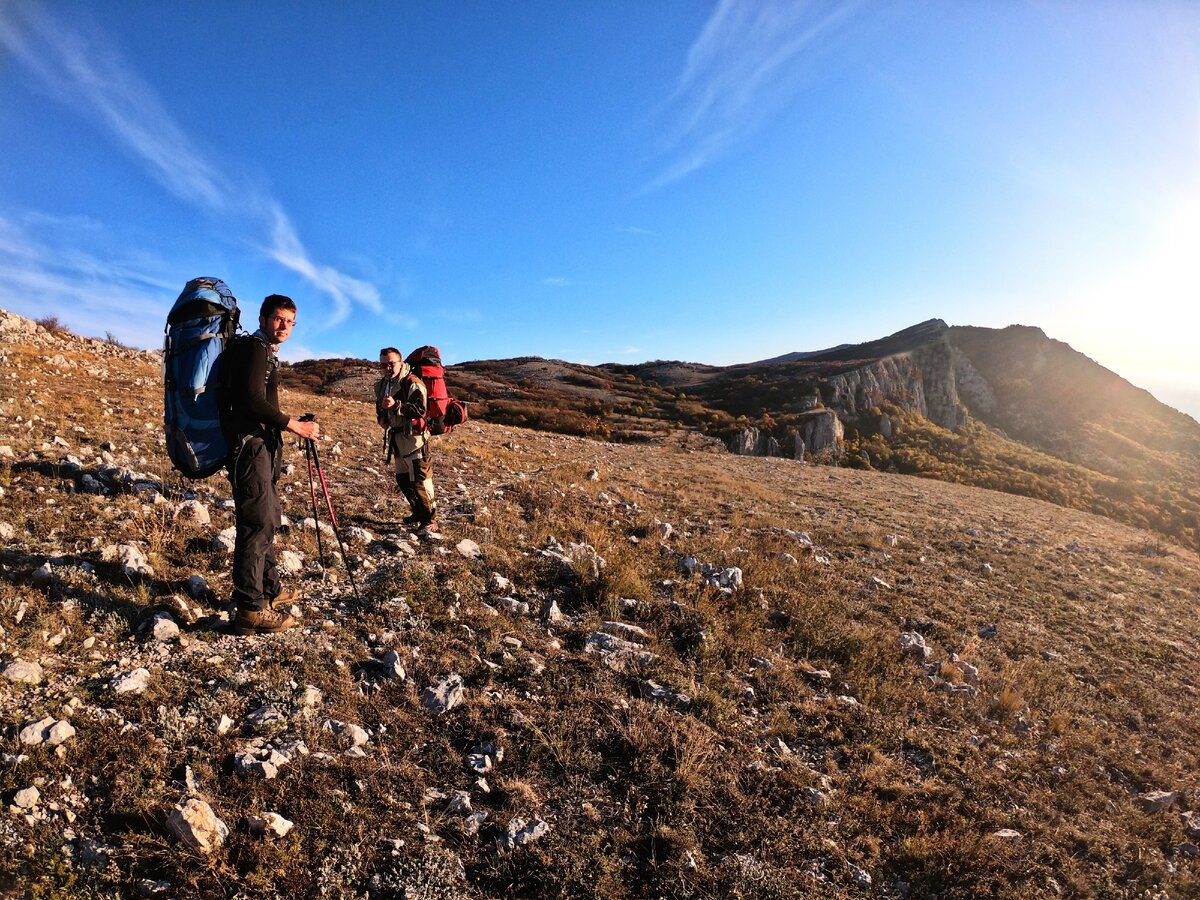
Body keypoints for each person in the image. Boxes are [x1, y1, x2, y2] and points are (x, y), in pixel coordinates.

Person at [222, 294, 321, 635]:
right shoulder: (254, 349)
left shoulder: (263, 351)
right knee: (256, 524)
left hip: (260, 448)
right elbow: (250, 400)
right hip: (248, 450)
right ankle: (250, 608)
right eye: (279, 319)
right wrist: (294, 425)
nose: (285, 327)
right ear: (263, 318)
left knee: (268, 517)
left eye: (291, 322)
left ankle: (269, 589)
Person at [375, 347, 438, 535]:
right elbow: (379, 407)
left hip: (415, 440)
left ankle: (430, 521)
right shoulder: (382, 384)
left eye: (391, 364)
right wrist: (382, 419)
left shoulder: (412, 382)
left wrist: (397, 406)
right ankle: (418, 512)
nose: (387, 368)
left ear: (400, 363)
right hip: (397, 439)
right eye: (383, 364)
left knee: (420, 481)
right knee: (403, 480)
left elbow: (421, 409)